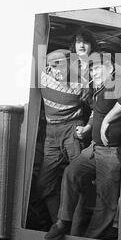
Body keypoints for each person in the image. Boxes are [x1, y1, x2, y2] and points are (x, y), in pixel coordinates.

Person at [44, 52, 121, 240]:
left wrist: (108, 121)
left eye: (96, 68)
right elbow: (96, 112)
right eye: (91, 69)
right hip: (94, 149)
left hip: (111, 152)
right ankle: (63, 222)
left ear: (109, 69)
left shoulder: (114, 82)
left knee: (106, 200)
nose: (92, 73)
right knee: (71, 173)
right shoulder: (99, 89)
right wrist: (88, 127)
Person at [36, 28, 99, 226]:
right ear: (47, 68)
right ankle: (59, 222)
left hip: (73, 129)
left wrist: (88, 127)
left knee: (78, 182)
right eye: (54, 66)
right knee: (44, 184)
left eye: (62, 66)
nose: (58, 70)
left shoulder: (80, 83)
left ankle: (74, 230)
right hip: (51, 133)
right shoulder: (43, 79)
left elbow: (97, 108)